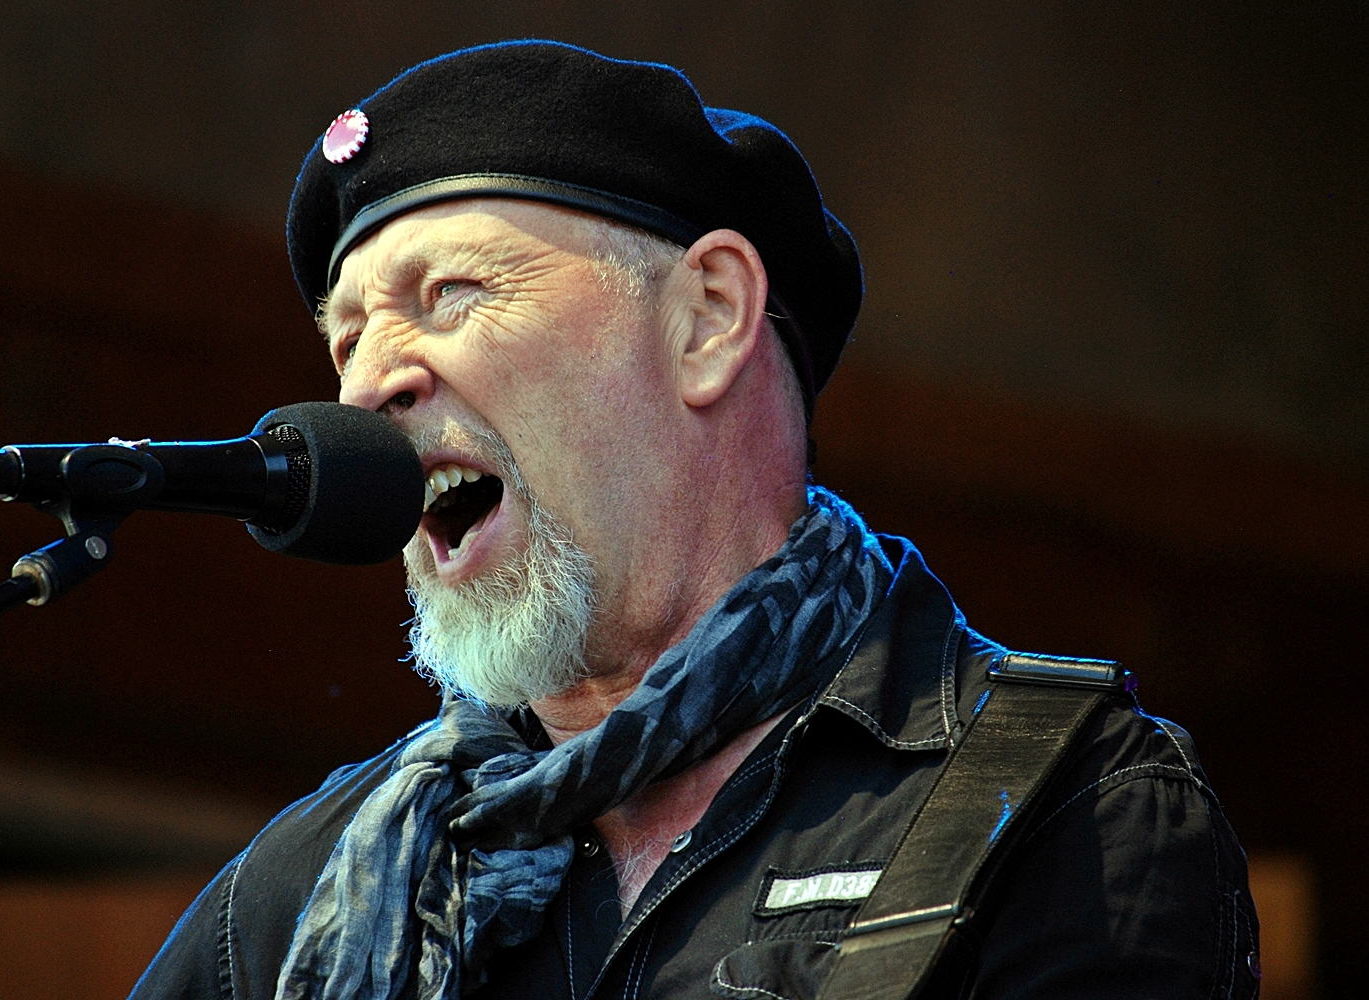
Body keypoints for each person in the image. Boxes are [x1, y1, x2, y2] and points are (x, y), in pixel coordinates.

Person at [131, 41, 1259, 1000]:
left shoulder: (1060, 807)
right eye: (346, 338)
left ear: (710, 319)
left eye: (451, 295)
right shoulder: (294, 896)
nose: (370, 383)